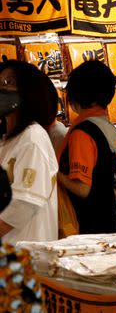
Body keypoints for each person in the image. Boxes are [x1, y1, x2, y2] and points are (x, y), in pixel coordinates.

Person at [58, 60, 116, 234]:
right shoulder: (103, 123)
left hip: (86, 227)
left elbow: (82, 189)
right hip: (106, 223)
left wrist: (53, 173)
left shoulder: (82, 133)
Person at [0, 61, 59, 245]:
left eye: (9, 82)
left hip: (27, 260)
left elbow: (22, 204)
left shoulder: (32, 138)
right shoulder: (6, 140)